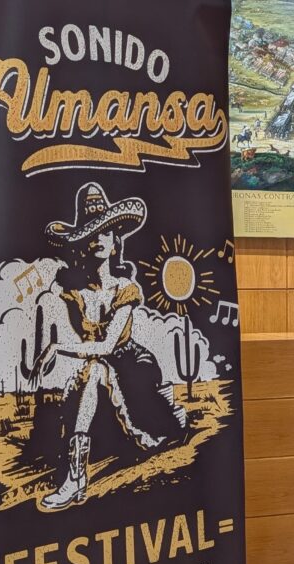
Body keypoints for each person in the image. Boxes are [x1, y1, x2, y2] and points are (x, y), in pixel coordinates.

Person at [37, 182, 187, 510]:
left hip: (134, 368)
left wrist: (58, 348)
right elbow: (82, 341)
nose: (98, 240)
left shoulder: (125, 288)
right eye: (91, 235)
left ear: (115, 240)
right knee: (91, 371)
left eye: (105, 232)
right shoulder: (72, 292)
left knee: (97, 368)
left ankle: (165, 417)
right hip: (96, 369)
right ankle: (75, 478)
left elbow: (107, 344)